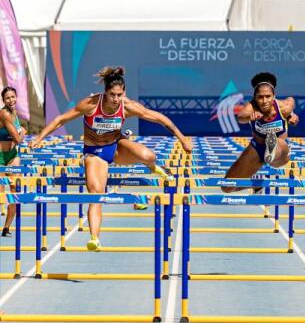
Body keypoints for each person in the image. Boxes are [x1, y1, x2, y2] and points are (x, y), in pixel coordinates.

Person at [29, 67, 192, 250]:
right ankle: (95, 238)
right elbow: (60, 120)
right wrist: (39, 137)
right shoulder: (91, 104)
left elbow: (160, 119)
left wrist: (183, 139)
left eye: (119, 95)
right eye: (112, 95)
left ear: (124, 92)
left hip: (116, 147)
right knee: (96, 194)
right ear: (105, 93)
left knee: (149, 155)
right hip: (94, 152)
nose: (116, 99)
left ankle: (153, 166)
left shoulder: (127, 105)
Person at [221, 72, 299, 193]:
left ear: (274, 95)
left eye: (268, 96)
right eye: (260, 97)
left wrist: (292, 116)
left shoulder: (284, 107)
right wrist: (249, 117)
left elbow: (291, 102)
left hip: (280, 148)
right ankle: (256, 185)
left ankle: (271, 148)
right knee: (226, 187)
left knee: (274, 149)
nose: (264, 101)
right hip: (257, 148)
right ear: (255, 96)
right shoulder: (251, 107)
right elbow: (241, 117)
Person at [0, 87, 27, 237]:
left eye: (13, 97)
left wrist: (21, 131)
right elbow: (17, 139)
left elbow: (16, 142)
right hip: (0, 157)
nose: (11, 100)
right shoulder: (4, 114)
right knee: (0, 195)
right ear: (3, 101)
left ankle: (6, 228)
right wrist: (23, 132)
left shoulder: (14, 113)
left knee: (15, 193)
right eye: (8, 98)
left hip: (12, 155)